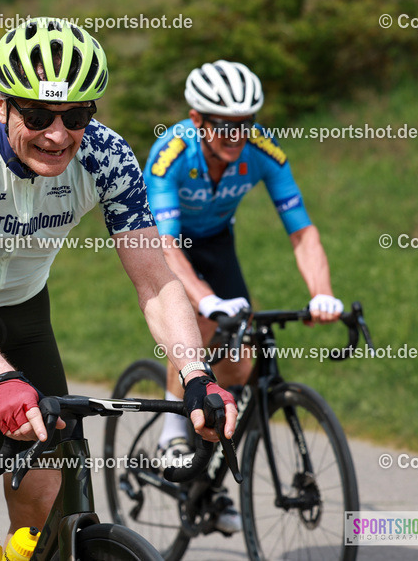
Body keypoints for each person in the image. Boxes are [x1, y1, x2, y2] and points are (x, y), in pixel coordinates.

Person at [0, 18, 237, 561]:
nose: (57, 134)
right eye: (37, 115)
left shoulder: (107, 157)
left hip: (24, 305)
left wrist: (195, 374)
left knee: (48, 475)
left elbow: (156, 278)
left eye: (75, 116)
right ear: (0, 101)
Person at [144, 59, 344, 533]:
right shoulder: (169, 156)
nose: (237, 136)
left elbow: (302, 232)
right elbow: (166, 247)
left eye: (245, 124)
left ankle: (208, 483)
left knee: (238, 363)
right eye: (224, 127)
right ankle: (172, 435)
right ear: (197, 120)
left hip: (216, 240)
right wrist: (204, 298)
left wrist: (322, 295)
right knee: (199, 323)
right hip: (166, 241)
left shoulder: (265, 153)